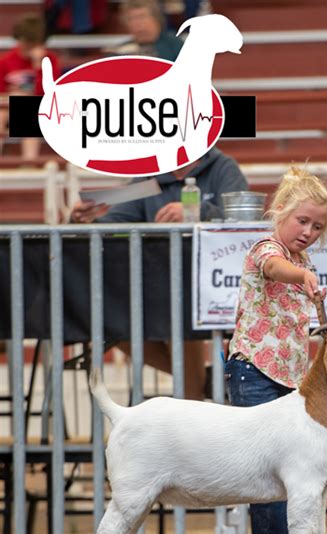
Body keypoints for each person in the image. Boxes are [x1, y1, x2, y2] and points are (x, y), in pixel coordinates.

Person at [224, 166, 327, 534]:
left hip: (287, 380)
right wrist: (302, 277)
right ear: (280, 213)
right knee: (267, 477)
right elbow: (273, 268)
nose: (308, 231)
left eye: (317, 226)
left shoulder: (303, 261)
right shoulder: (267, 249)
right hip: (254, 370)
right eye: (302, 221)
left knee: (284, 476)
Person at [70, 146, 248, 400]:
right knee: (110, 321)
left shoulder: (224, 168)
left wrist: (200, 211)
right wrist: (82, 220)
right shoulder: (146, 176)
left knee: (184, 321)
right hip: (155, 287)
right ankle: (201, 380)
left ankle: (194, 394)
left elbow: (242, 219)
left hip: (206, 287)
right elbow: (114, 223)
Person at [0, 14, 60, 161]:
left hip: (37, 107)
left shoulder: (49, 60)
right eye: (27, 42)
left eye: (35, 44)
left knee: (28, 108)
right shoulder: (5, 61)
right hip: (7, 107)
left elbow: (49, 92)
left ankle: (29, 163)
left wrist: (38, 65)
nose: (31, 48)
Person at [114, 0, 184, 61]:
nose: (137, 23)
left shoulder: (176, 46)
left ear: (156, 18)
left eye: (141, 17)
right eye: (131, 19)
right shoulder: (121, 51)